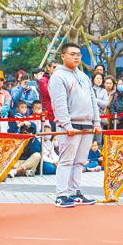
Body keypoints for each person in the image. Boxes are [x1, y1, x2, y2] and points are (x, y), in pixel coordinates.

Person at [48, 42, 101, 208]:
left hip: (87, 124)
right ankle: (61, 194)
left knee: (79, 162)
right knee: (66, 161)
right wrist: (66, 124)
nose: (76, 56)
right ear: (63, 56)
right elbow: (59, 103)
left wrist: (97, 122)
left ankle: (75, 192)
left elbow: (93, 100)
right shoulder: (58, 76)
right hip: (70, 126)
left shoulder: (84, 77)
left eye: (78, 54)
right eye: (72, 54)